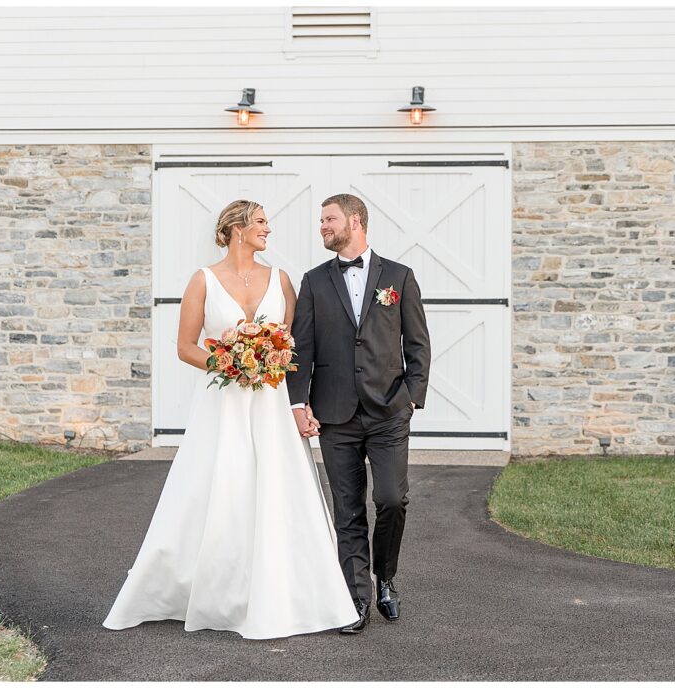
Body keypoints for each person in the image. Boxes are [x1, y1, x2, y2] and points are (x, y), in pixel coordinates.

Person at [102, 199, 359, 639]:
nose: (268, 230)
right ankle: (207, 590)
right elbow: (186, 347)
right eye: (261, 222)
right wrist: (231, 364)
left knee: (276, 490)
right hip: (222, 404)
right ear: (237, 228)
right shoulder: (203, 280)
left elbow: (294, 347)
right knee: (219, 486)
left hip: (270, 405)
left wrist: (288, 386)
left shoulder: (281, 280)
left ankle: (284, 594)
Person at [286, 193, 431, 634]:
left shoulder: (399, 277)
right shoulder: (313, 281)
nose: (322, 227)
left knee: (391, 499)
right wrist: (298, 403)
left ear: (355, 220)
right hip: (335, 414)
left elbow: (418, 343)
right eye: (321, 221)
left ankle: (385, 577)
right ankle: (355, 600)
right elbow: (302, 348)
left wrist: (411, 396)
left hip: (389, 410)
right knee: (347, 509)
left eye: (329, 219)